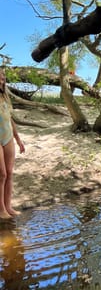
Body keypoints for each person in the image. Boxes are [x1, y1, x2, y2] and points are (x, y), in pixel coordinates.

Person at [0, 69, 25, 219]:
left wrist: (18, 139)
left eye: (3, 76)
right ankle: (1, 209)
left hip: (8, 137)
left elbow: (9, 120)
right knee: (1, 174)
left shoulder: (5, 97)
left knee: (9, 173)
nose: (2, 79)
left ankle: (8, 207)